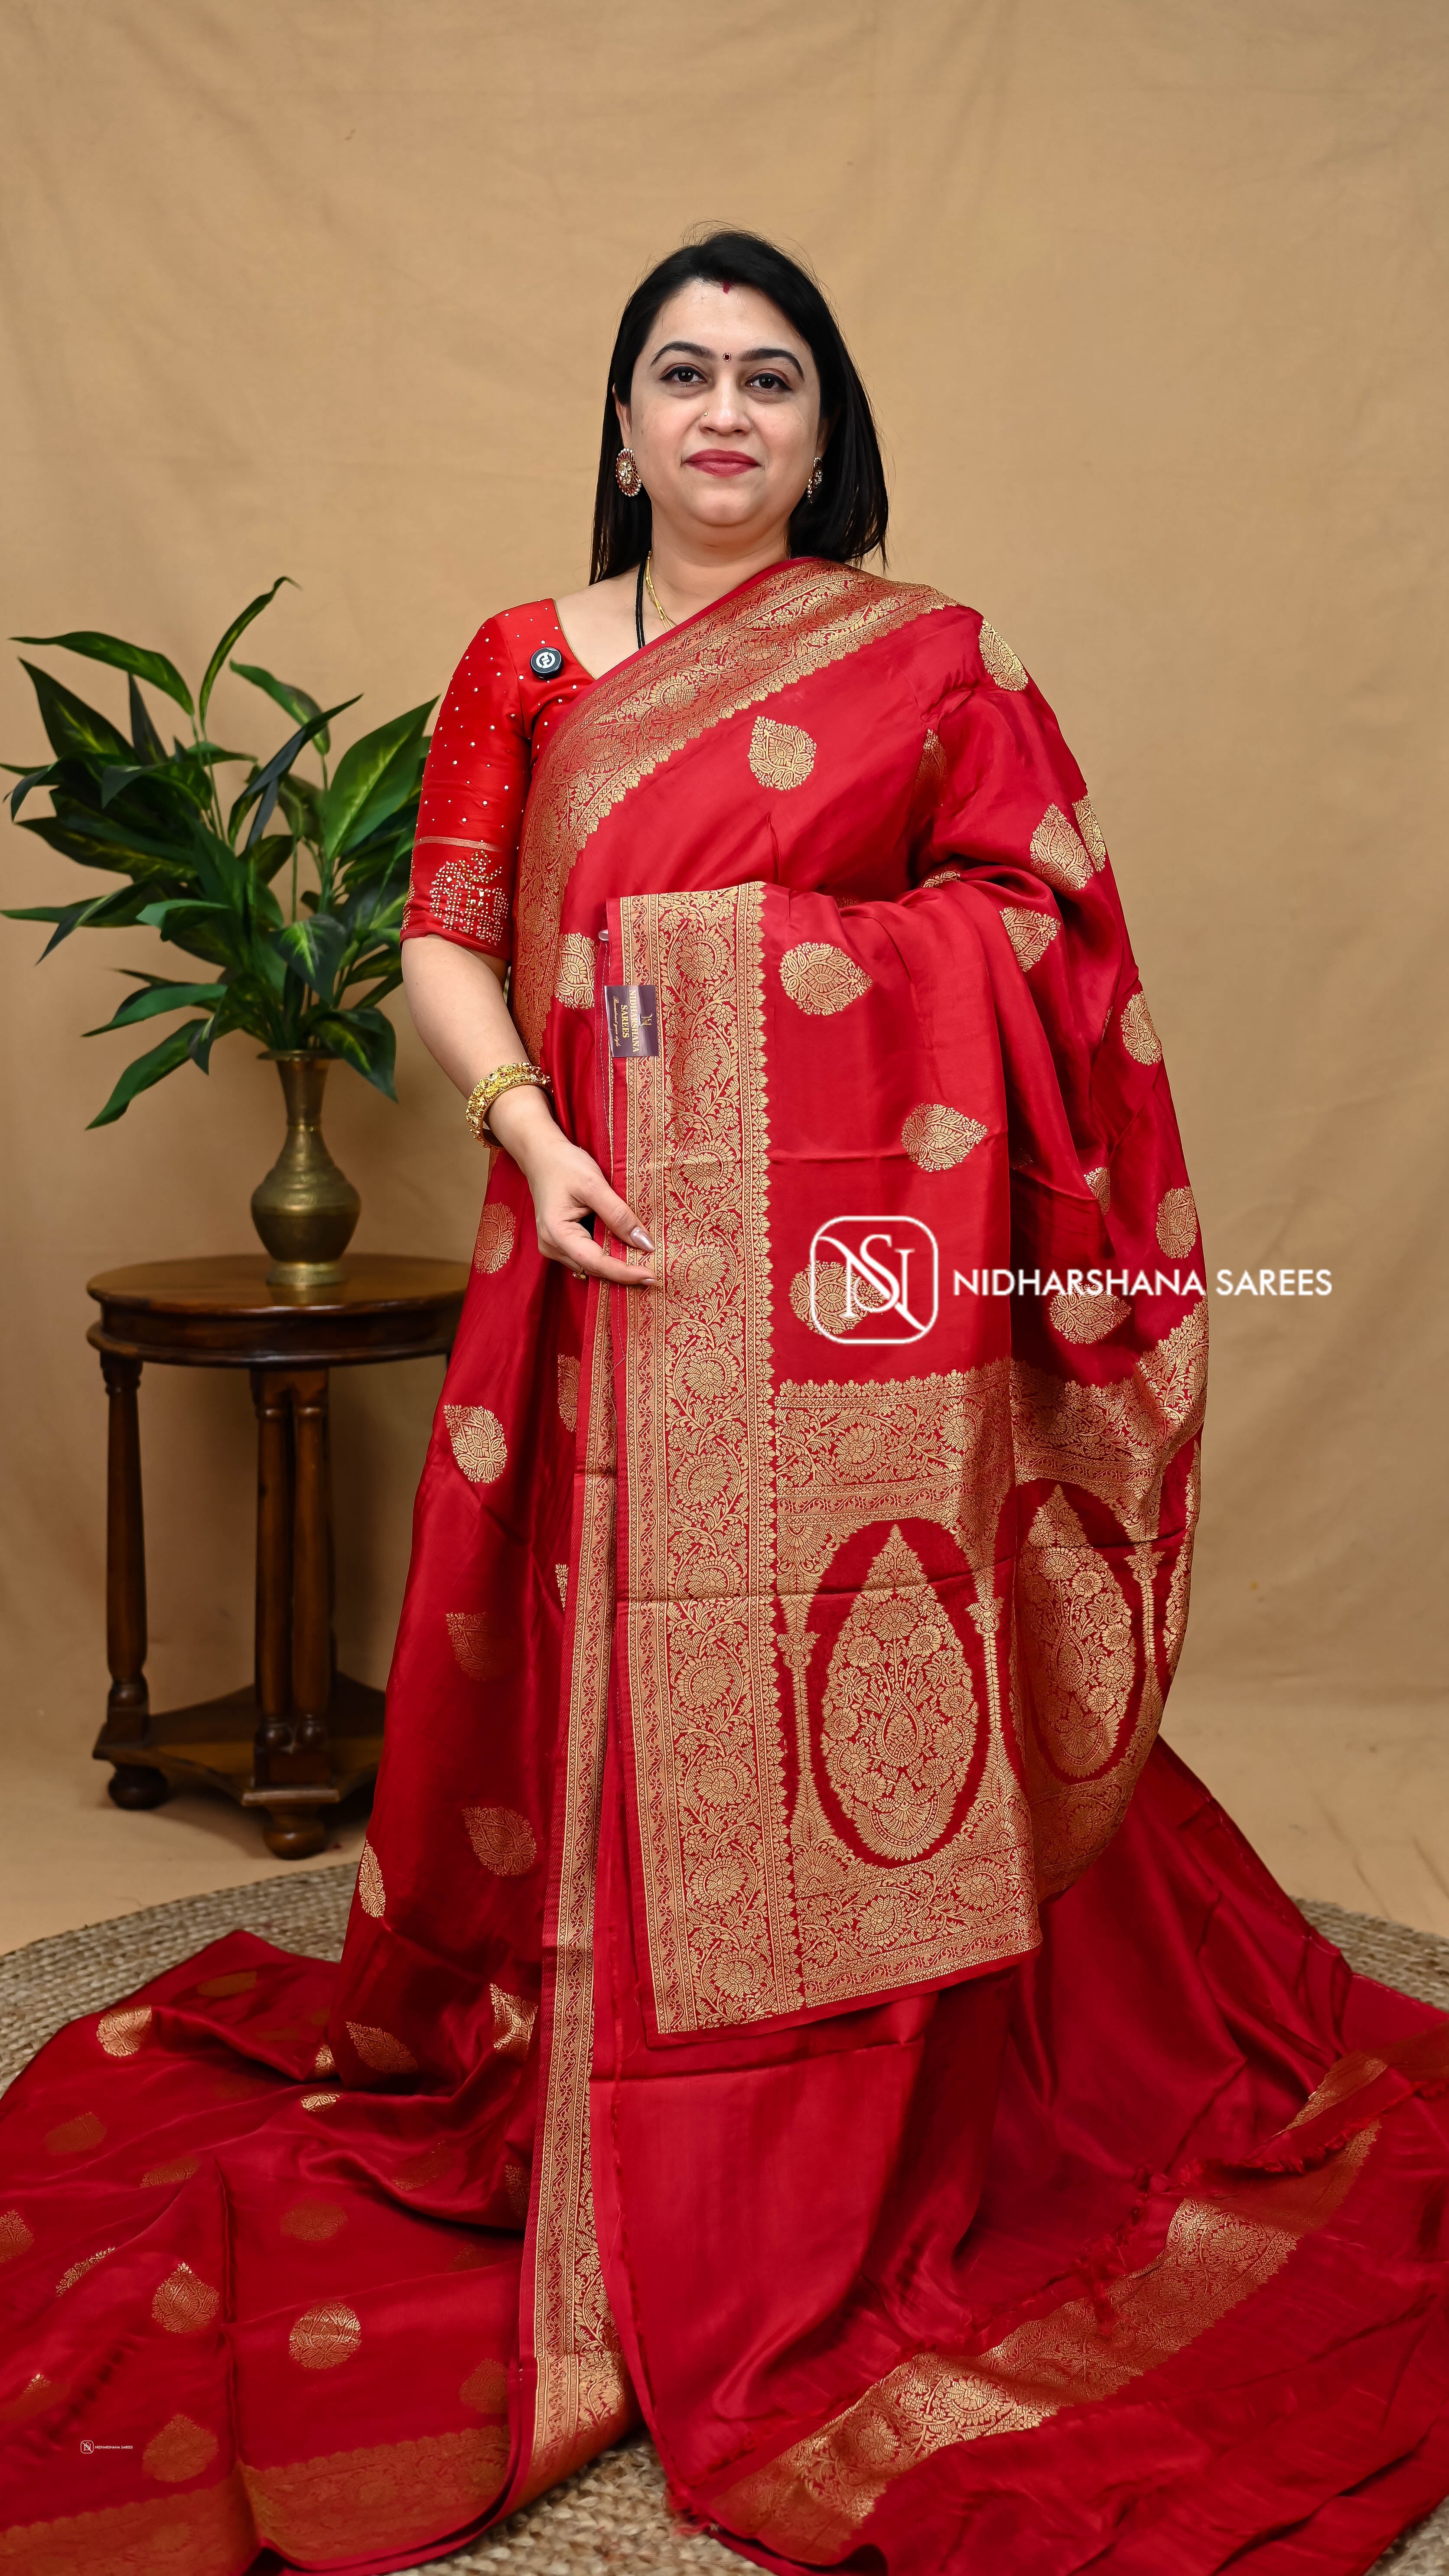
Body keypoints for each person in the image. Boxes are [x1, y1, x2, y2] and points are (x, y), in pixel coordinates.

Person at [1, 231, 1446, 2576]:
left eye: (771, 379)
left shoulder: (931, 663)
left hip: (852, 1304)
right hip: (593, 1242)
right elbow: (445, 931)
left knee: (832, 1672)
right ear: (621, 419)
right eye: (682, 374)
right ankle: (591, 2068)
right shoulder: (527, 660)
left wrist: (742, 967)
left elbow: (1046, 933)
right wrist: (531, 1132)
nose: (724, 415)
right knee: (590, 1661)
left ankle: (846, 2096)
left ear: (822, 426)